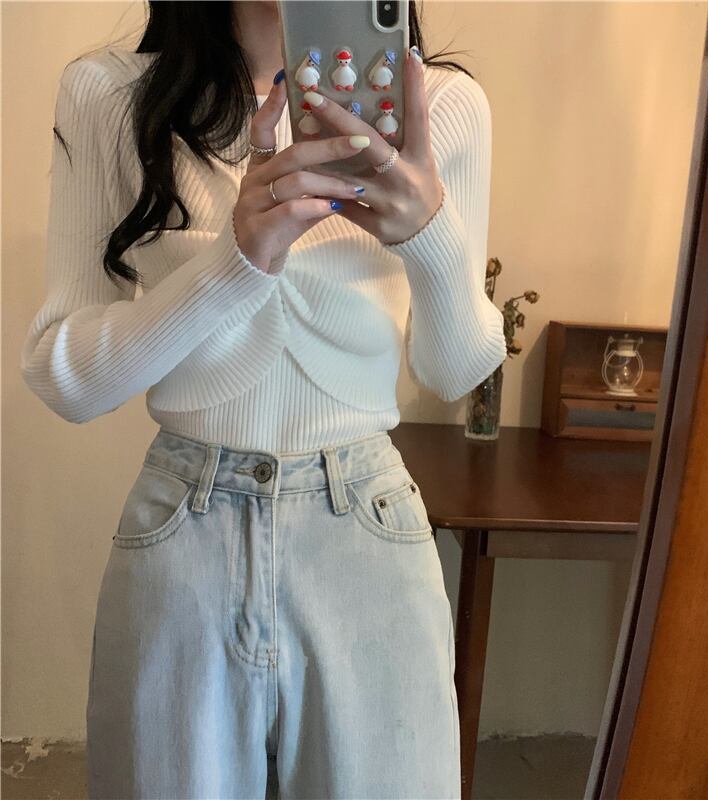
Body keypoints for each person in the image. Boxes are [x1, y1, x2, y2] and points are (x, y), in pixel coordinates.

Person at [20, 1, 507, 797]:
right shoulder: (109, 95)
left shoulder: (442, 104)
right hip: (184, 535)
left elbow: (455, 371)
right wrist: (235, 261)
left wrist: (431, 234)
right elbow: (63, 377)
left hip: (366, 532)